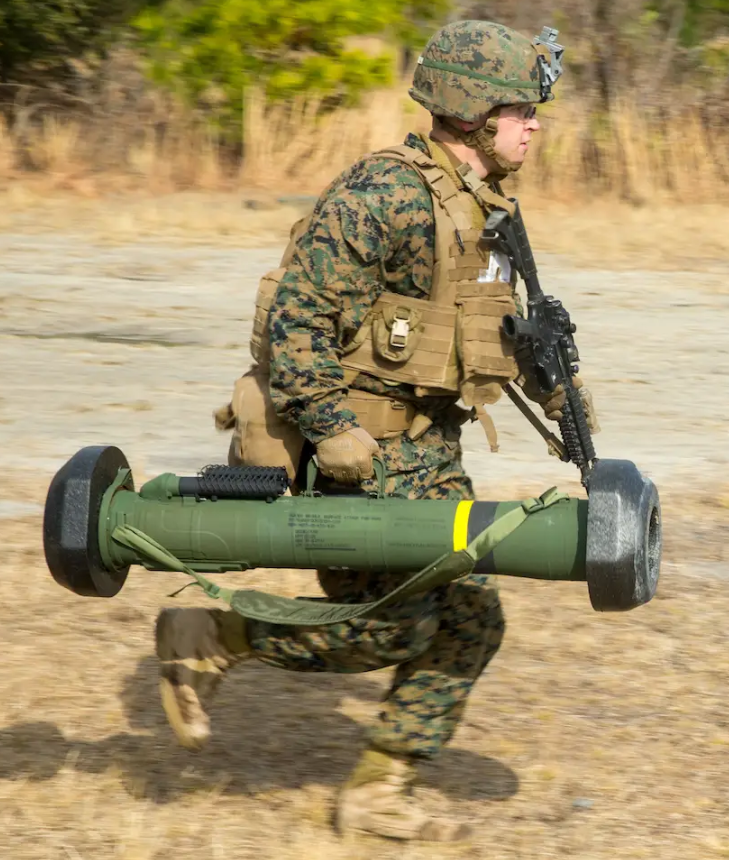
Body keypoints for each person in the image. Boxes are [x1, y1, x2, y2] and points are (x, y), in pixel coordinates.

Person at [153, 20, 598, 842]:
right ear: (470, 111)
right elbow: (295, 320)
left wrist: (558, 389)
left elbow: (494, 325)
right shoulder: (382, 194)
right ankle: (214, 632)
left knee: (471, 620)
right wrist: (329, 427)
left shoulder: (487, 205)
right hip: (358, 450)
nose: (535, 124)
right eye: (520, 110)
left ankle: (378, 790)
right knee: (392, 624)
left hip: (430, 450)